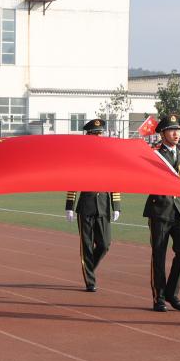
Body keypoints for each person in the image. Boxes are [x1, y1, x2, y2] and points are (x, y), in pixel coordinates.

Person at [143, 114, 180, 312]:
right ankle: (159, 297)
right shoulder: (153, 154)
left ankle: (172, 292)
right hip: (159, 209)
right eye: (172, 130)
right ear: (163, 133)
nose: (176, 134)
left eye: (178, 130)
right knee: (159, 254)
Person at [65, 119, 120, 292]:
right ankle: (90, 280)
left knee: (105, 244)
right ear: (88, 136)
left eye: (100, 133)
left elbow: (115, 181)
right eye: (95, 134)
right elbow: (73, 182)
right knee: (87, 245)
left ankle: (88, 268)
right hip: (86, 206)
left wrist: (116, 205)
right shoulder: (80, 157)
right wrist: (69, 206)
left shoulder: (108, 156)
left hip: (103, 205)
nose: (98, 136)